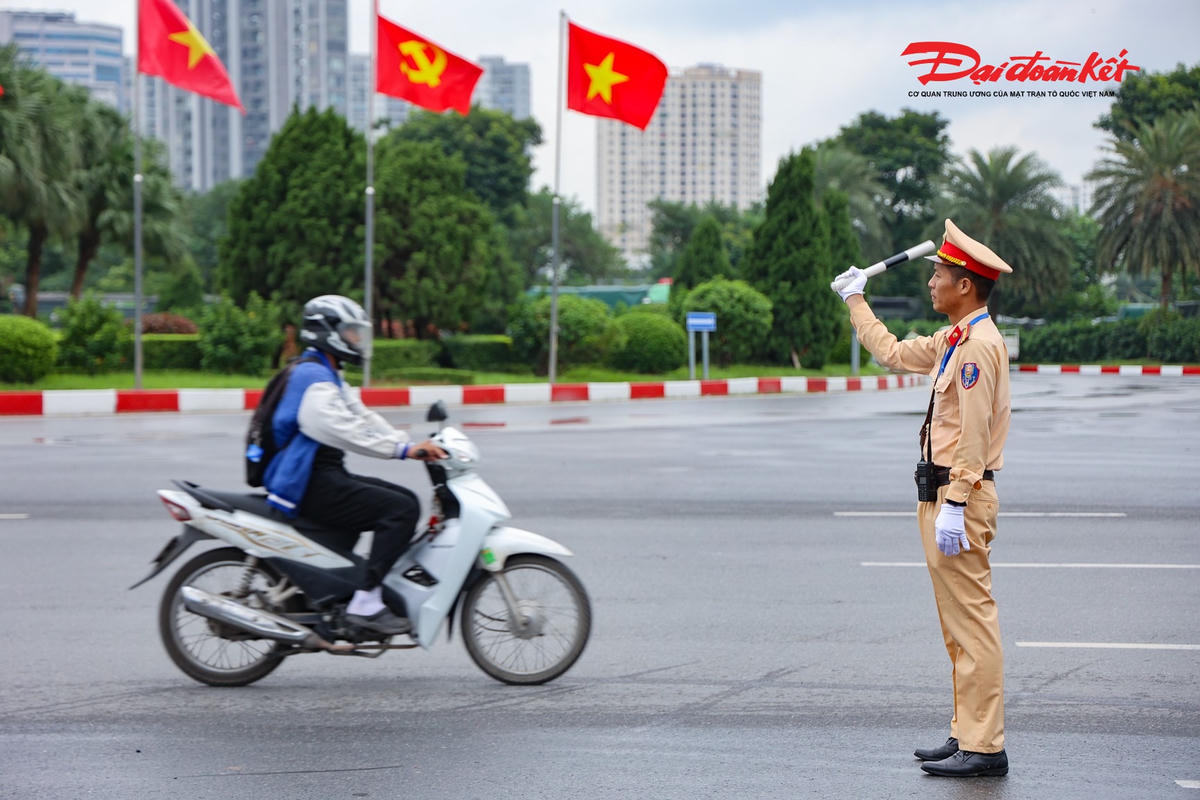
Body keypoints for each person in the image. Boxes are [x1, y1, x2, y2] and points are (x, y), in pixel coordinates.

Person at [832, 220, 1012, 778]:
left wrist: (957, 501)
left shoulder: (978, 345)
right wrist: (856, 300)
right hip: (936, 495)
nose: (932, 281)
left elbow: (976, 434)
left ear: (965, 285)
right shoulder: (955, 339)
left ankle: (986, 747)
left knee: (973, 625)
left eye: (939, 274)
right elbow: (891, 352)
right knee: (954, 625)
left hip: (960, 496)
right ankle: (966, 733)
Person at [264, 295, 446, 636]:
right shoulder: (313, 380)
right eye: (350, 332)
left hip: (322, 475)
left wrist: (412, 443)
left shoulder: (325, 372)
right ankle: (365, 602)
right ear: (327, 333)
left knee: (399, 498)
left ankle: (349, 590)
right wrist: (402, 450)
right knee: (400, 509)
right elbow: (347, 432)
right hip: (307, 482)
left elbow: (363, 417)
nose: (357, 340)